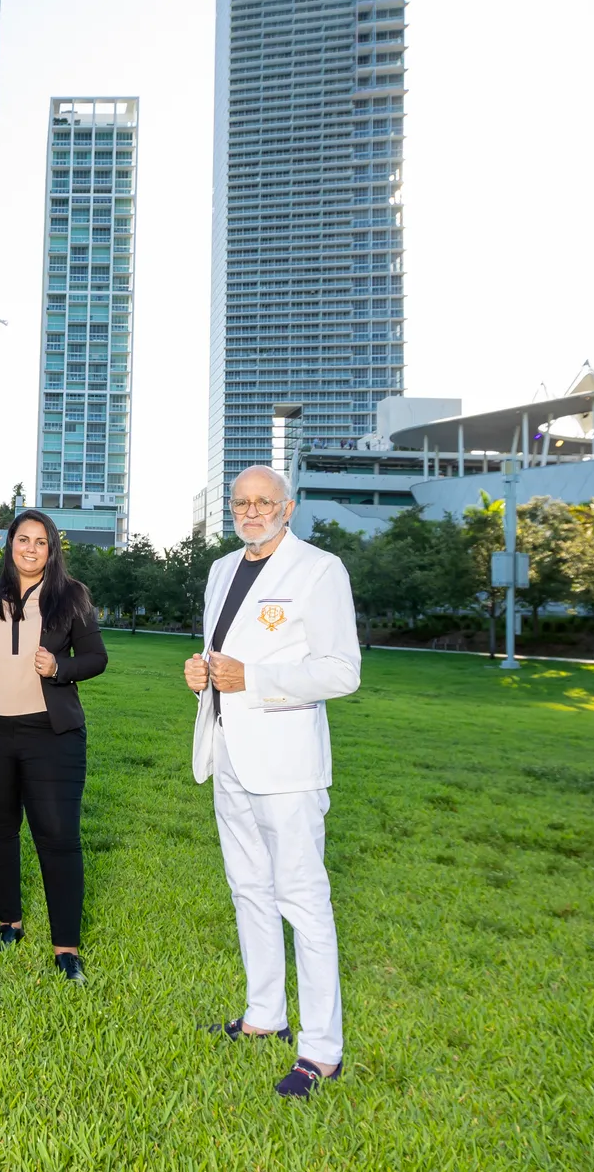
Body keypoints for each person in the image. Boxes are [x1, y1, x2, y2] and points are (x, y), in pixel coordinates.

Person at [184, 465, 361, 1097]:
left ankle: (322, 1050)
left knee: (303, 902)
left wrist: (251, 681)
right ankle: (265, 1016)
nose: (251, 510)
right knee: (248, 889)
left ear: (287, 508)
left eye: (265, 502)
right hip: (228, 753)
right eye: (241, 502)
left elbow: (342, 672)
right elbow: (225, 656)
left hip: (286, 766)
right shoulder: (222, 570)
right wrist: (203, 673)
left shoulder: (320, 570)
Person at [0, 509, 106, 981]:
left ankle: (66, 950)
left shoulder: (71, 597)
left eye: (41, 542)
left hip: (50, 735)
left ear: (52, 549)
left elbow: (96, 657)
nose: (31, 549)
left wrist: (59, 667)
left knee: (58, 839)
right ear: (10, 545)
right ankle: (9, 924)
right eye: (23, 540)